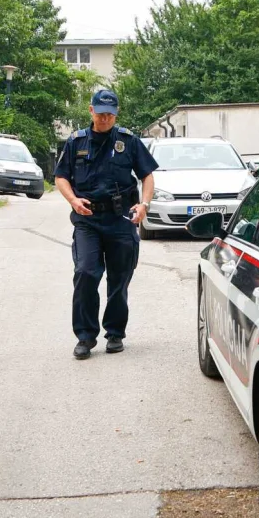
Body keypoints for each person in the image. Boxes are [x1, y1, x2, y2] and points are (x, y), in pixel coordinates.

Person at [54, 89, 159, 360]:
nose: (105, 118)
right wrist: (73, 200)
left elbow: (147, 176)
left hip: (121, 218)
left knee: (119, 279)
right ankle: (86, 337)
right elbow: (61, 177)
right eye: (100, 113)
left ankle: (114, 333)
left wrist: (144, 204)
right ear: (91, 111)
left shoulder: (128, 141)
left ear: (116, 113)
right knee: (86, 273)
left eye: (110, 114)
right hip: (87, 220)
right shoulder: (76, 141)